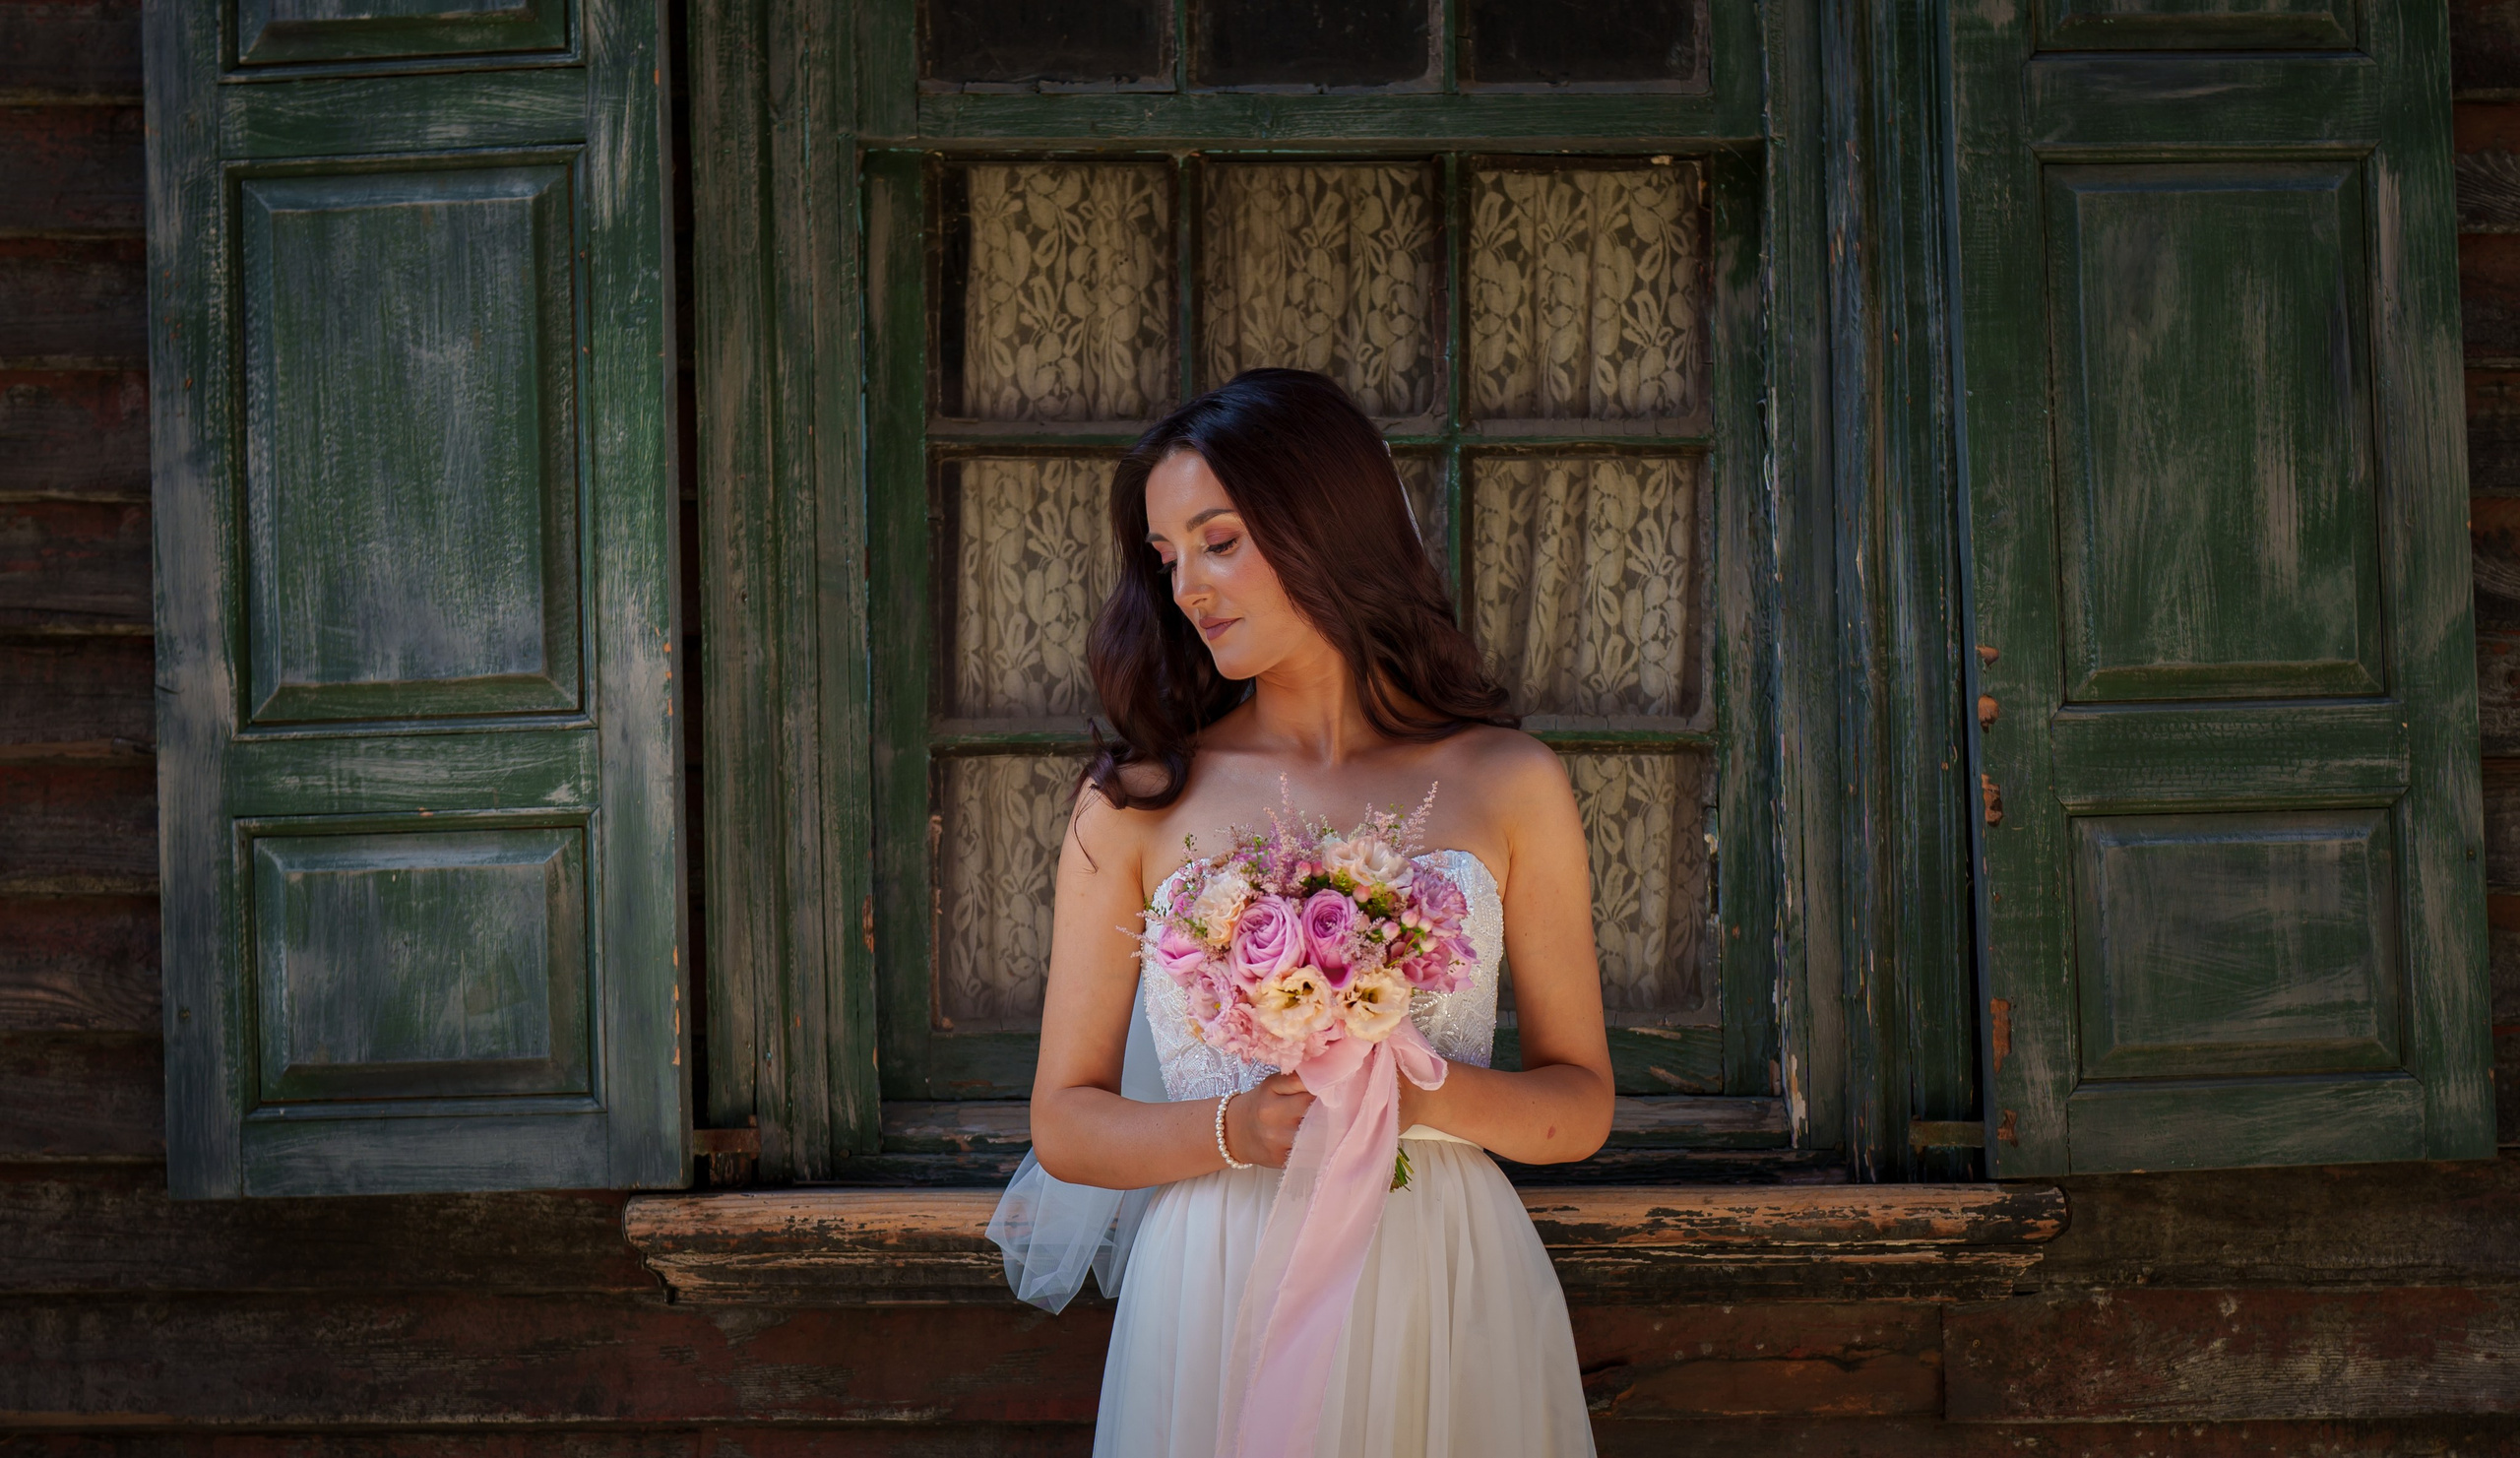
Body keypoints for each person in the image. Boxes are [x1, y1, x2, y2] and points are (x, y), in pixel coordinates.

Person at [993, 367, 1612, 1456]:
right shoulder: (1140, 798)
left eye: (1219, 540)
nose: (1187, 586)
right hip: (1219, 1275)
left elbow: (1581, 1104)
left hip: (1443, 1271)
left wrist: (1408, 1097)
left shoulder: (1509, 781)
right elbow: (1065, 1121)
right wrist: (1238, 1127)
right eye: (1165, 555)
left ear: (1325, 524)